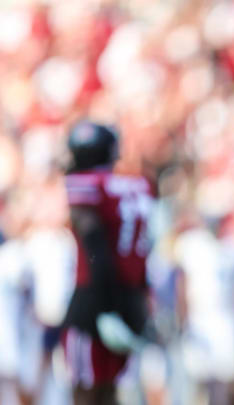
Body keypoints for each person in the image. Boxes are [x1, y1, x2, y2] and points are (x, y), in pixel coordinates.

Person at [62, 120, 155, 405]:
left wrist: (105, 308)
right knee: (110, 390)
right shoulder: (139, 185)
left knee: (86, 390)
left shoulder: (86, 185)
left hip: (95, 302)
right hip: (131, 298)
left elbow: (95, 244)